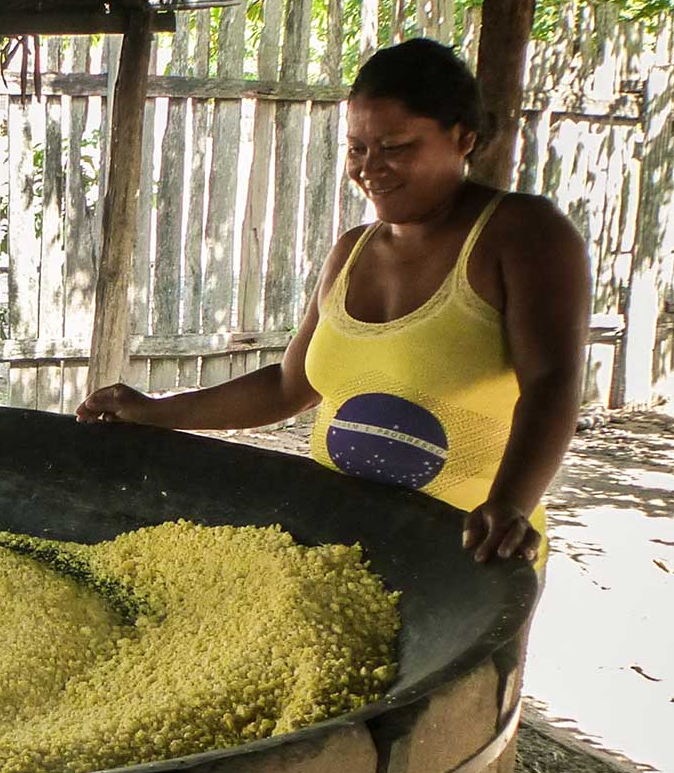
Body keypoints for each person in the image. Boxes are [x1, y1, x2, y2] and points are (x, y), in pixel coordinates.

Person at [78, 38, 589, 567]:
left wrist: (509, 505)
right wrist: (156, 413)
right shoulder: (353, 250)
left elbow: (551, 382)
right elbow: (288, 388)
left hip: (465, 555)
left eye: (396, 147)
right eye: (357, 148)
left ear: (464, 139)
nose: (371, 167)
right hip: (340, 550)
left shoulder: (522, 233)